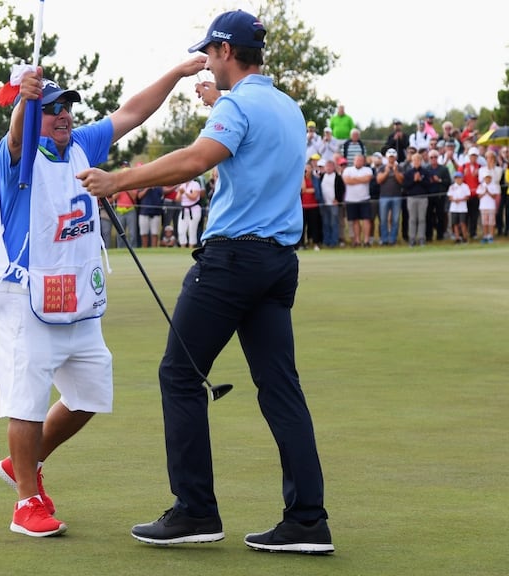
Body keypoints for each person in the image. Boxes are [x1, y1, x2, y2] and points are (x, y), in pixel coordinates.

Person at [78, 11, 333, 553]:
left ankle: (195, 511)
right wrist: (222, 105)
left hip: (232, 261)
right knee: (281, 386)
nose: (209, 62)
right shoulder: (287, 107)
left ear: (222, 50)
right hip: (278, 264)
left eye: (211, 53)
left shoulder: (238, 105)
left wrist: (117, 180)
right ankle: (308, 520)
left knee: (179, 375)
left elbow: (197, 159)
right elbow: (244, 133)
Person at [0, 48, 210, 537]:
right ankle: (27, 501)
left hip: (79, 297)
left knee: (89, 395)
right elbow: (14, 134)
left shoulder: (83, 142)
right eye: (52, 109)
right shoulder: (16, 155)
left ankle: (23, 461)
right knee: (25, 401)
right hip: (27, 294)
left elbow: (132, 112)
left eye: (66, 106)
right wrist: (24, 103)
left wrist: (174, 73)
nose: (63, 114)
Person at [342, 154, 373, 247]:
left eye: (361, 160)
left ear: (363, 161)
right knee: (354, 221)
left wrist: (354, 179)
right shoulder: (348, 170)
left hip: (364, 198)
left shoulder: (368, 170)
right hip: (351, 199)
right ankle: (357, 240)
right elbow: (347, 181)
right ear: (354, 161)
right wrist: (360, 179)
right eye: (357, 160)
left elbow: (367, 179)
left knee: (366, 220)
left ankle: (366, 240)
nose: (359, 162)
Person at [376, 149, 404, 246]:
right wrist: (387, 172)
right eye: (390, 157)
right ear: (387, 158)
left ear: (395, 157)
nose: (391, 159)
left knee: (395, 220)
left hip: (396, 197)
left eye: (393, 157)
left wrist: (395, 171)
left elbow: (401, 181)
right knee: (383, 219)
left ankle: (392, 239)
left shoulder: (399, 168)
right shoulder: (382, 168)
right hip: (384, 197)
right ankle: (384, 239)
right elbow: (379, 180)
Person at [175, 178, 203, 248]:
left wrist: (185, 192)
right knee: (181, 230)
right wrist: (181, 193)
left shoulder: (195, 184)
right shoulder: (182, 185)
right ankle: (182, 247)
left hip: (194, 210)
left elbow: (194, 197)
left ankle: (191, 247)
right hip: (184, 210)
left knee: (192, 230)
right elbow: (177, 199)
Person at [477, 168, 499, 243]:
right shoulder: (481, 186)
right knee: (484, 222)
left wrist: (488, 192)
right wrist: (484, 192)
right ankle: (485, 236)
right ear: (484, 178)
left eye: (489, 177)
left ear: (491, 178)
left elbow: (494, 196)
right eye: (486, 177)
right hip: (483, 206)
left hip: (491, 206)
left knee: (491, 222)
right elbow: (479, 196)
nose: (487, 179)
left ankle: (491, 236)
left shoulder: (494, 186)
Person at [447, 171, 470, 242]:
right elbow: (449, 197)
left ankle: (465, 237)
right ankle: (457, 238)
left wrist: (460, 199)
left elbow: (467, 196)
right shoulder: (452, 187)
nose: (458, 179)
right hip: (454, 208)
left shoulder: (465, 186)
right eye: (456, 178)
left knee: (463, 223)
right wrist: (454, 200)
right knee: (455, 224)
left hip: (462, 208)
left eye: (459, 178)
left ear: (462, 178)